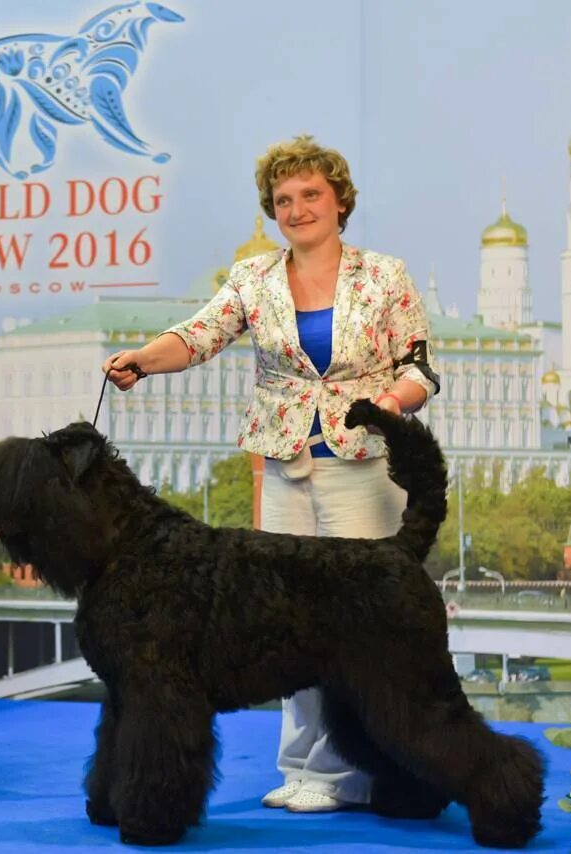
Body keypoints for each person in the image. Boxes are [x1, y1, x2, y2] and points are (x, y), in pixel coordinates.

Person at [102, 135, 439, 814]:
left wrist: (390, 408)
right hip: (285, 465)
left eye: (310, 194)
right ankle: (301, 767)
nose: (297, 208)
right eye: (283, 200)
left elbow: (419, 368)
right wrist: (141, 356)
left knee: (359, 632)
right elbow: (196, 336)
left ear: (339, 200)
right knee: (286, 627)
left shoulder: (384, 276)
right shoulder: (254, 282)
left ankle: (344, 773)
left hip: (363, 466)